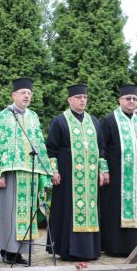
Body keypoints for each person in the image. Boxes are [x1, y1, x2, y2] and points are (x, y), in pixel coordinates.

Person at [0, 78, 52, 264]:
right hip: (10, 174)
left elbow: (39, 143)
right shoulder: (4, 116)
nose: (27, 96)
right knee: (8, 213)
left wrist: (45, 170)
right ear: (14, 95)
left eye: (29, 93)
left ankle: (20, 251)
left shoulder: (33, 116)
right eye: (23, 93)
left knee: (27, 214)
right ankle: (8, 250)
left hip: (30, 172)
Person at [46, 84, 108, 261]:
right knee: (67, 211)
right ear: (70, 100)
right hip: (67, 175)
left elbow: (101, 147)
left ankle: (89, 250)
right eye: (79, 97)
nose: (82, 100)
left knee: (91, 211)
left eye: (85, 97)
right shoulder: (60, 121)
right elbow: (51, 148)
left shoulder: (94, 121)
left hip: (90, 178)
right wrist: (54, 171)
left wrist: (103, 171)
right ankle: (68, 250)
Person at [100, 85, 137, 256]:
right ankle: (117, 248)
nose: (132, 102)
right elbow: (101, 147)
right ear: (120, 100)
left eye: (134, 99)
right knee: (116, 209)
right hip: (118, 175)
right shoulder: (110, 120)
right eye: (128, 98)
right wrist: (104, 169)